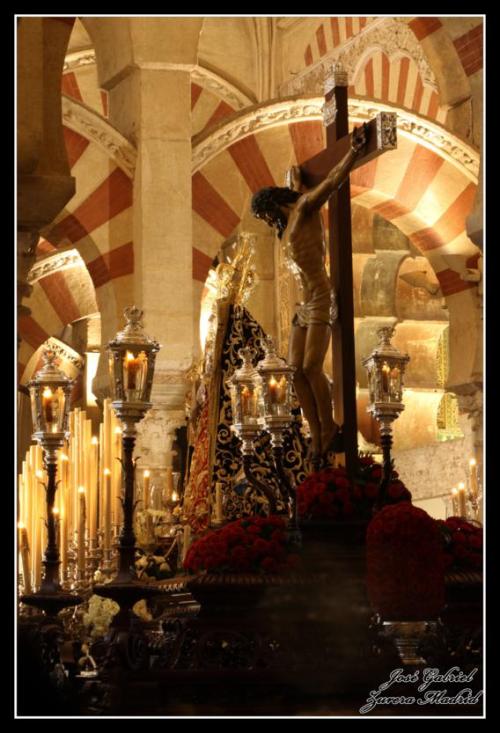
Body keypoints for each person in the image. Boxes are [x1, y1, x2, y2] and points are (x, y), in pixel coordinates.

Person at [251, 124, 367, 465]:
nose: (266, 220)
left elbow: (330, 182)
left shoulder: (304, 208)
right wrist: (295, 181)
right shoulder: (286, 225)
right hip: (302, 307)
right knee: (294, 371)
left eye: (265, 214)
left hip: (321, 299)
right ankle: (315, 433)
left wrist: (352, 152)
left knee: (312, 367)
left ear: (274, 204)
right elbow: (298, 186)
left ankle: (329, 427)